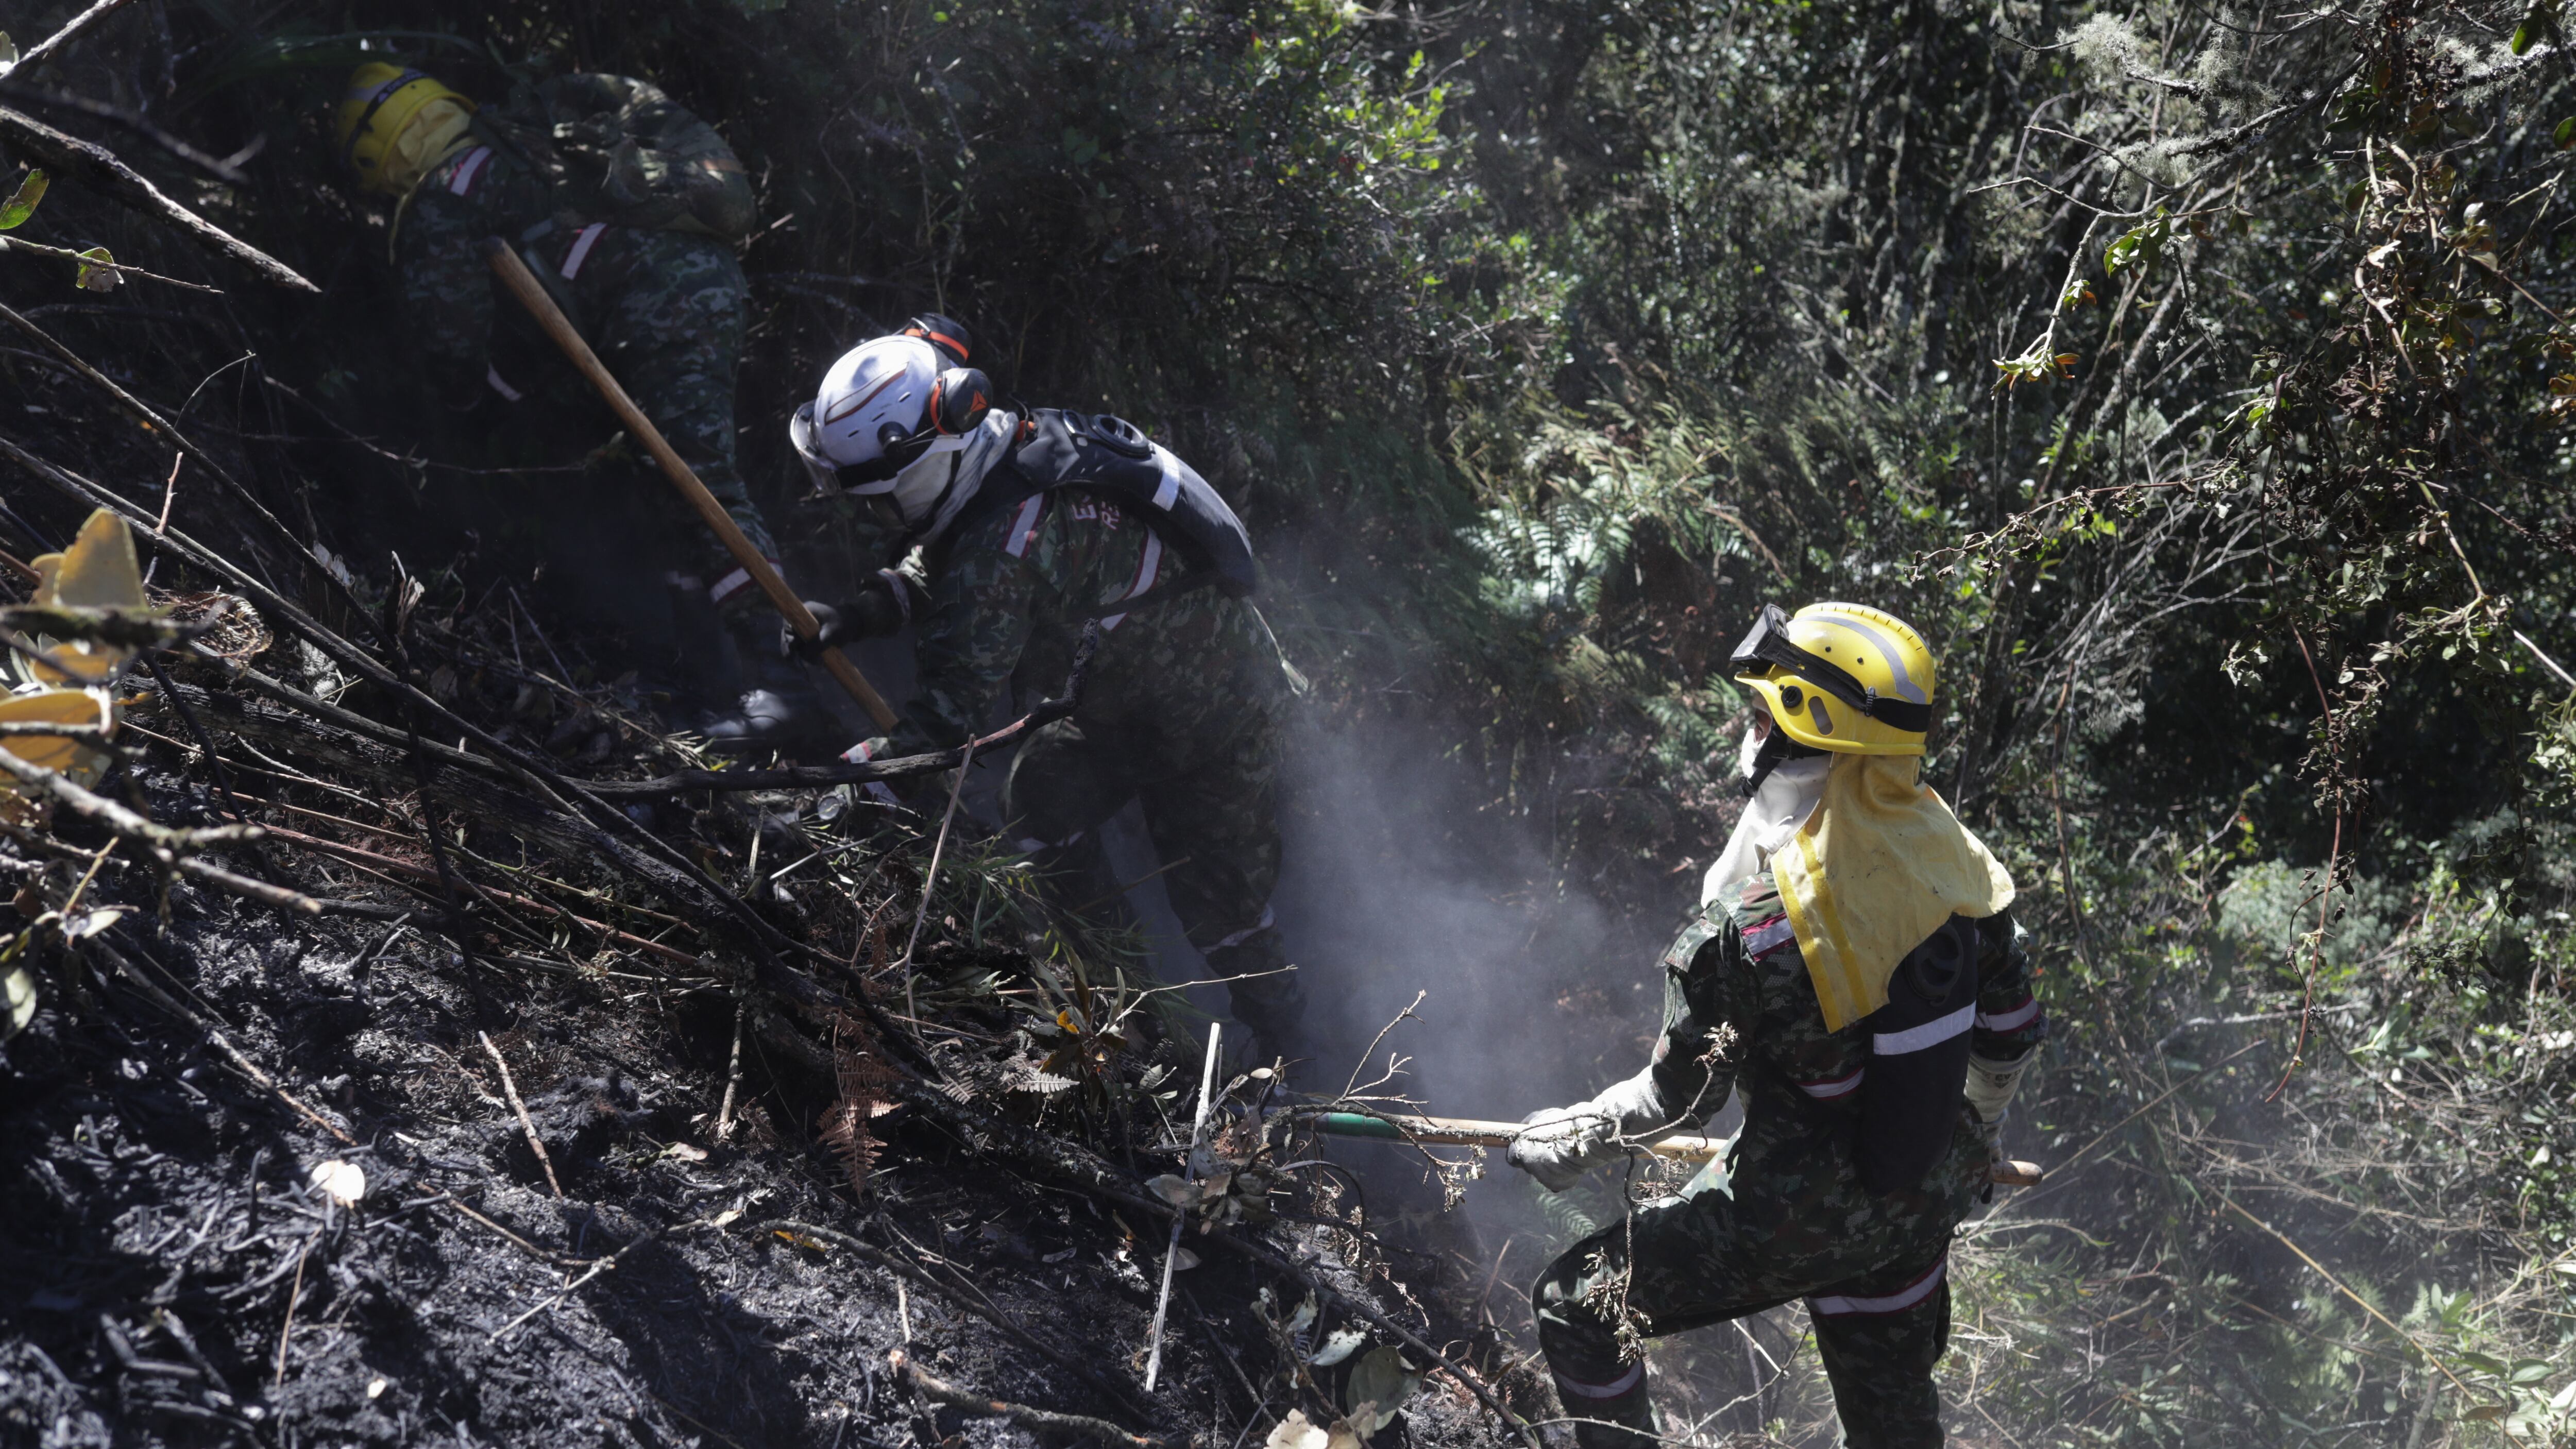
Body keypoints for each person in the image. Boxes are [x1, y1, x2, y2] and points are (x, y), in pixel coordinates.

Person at [1507, 602, 2047, 1449]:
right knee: (1893, 1417)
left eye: (1762, 715)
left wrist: (1577, 1135)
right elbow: (2010, 1036)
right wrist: (1967, 1137)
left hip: (1791, 1218)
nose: (1747, 731)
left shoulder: (1751, 931)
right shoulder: (1962, 872)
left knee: (1577, 1308)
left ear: (1808, 738)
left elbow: (1680, 1103)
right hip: (1924, 1198)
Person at [783, 321, 1314, 1064]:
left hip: (1220, 725)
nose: (878, 515)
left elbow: (940, 729)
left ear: (934, 454)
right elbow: (951, 562)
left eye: (883, 498)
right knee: (1042, 804)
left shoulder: (1006, 547)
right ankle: (1130, 1002)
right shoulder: (1006, 452)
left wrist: (834, 793)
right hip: (1120, 711)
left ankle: (1296, 1067)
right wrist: (861, 612)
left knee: (1221, 907)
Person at [333, 62, 825, 753]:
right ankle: (720, 676)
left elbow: (451, 339)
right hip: (690, 284)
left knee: (697, 483)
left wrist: (468, 407)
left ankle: (789, 682)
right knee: (663, 487)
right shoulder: (516, 145)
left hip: (655, 303)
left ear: (374, 155)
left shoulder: (444, 193)